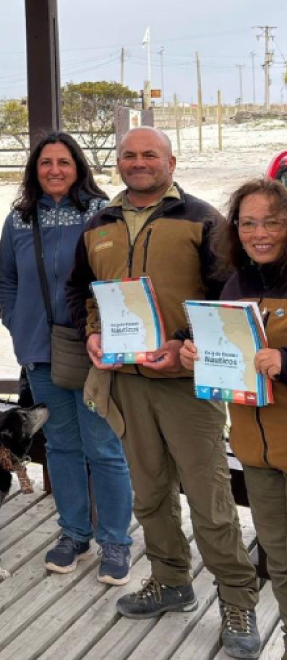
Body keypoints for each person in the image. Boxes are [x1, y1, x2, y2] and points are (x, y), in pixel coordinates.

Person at [66, 126, 260, 658]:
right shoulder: (98, 223)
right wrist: (92, 332)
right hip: (125, 383)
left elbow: (228, 296)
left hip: (187, 385)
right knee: (150, 494)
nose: (138, 162)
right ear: (119, 163)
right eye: (128, 155)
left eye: (150, 154)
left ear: (170, 160)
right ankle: (171, 579)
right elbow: (82, 293)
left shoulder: (202, 219)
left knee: (210, 500)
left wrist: (182, 343)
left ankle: (238, 599)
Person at [0, 132, 133, 585]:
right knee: (60, 444)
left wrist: (110, 332)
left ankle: (115, 539)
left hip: (93, 345)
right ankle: (74, 532)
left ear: (79, 166)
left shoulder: (101, 213)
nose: (54, 170)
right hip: (38, 347)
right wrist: (16, 323)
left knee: (104, 446)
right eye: (45, 163)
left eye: (64, 162)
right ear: (34, 170)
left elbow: (118, 275)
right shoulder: (19, 219)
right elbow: (8, 278)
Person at [181, 177, 287, 656]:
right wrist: (197, 358)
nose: (258, 232)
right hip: (256, 451)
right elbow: (227, 357)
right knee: (280, 561)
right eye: (248, 223)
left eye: (272, 221)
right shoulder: (234, 284)